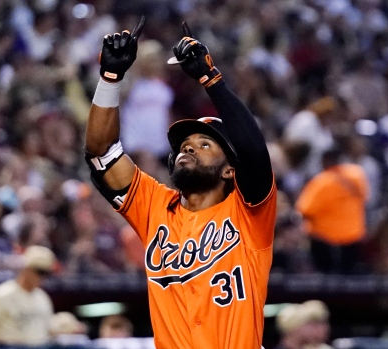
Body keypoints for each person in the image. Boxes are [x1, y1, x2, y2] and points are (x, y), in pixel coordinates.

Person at [84, 18, 276, 349]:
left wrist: (211, 79)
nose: (188, 148)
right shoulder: (155, 207)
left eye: (204, 144)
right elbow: (102, 154)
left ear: (230, 170)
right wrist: (110, 79)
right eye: (185, 145)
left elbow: (254, 151)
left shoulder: (250, 212)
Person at [296, 147, 369, 274]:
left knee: (326, 281)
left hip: (325, 241)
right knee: (350, 279)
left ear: (326, 160)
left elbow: (304, 210)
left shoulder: (322, 181)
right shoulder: (357, 175)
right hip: (353, 237)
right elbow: (365, 198)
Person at [0, 245, 57, 345]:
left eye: (46, 273)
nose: (42, 277)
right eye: (39, 271)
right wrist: (9, 343)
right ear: (26, 268)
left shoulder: (43, 298)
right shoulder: (1, 294)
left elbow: (48, 332)